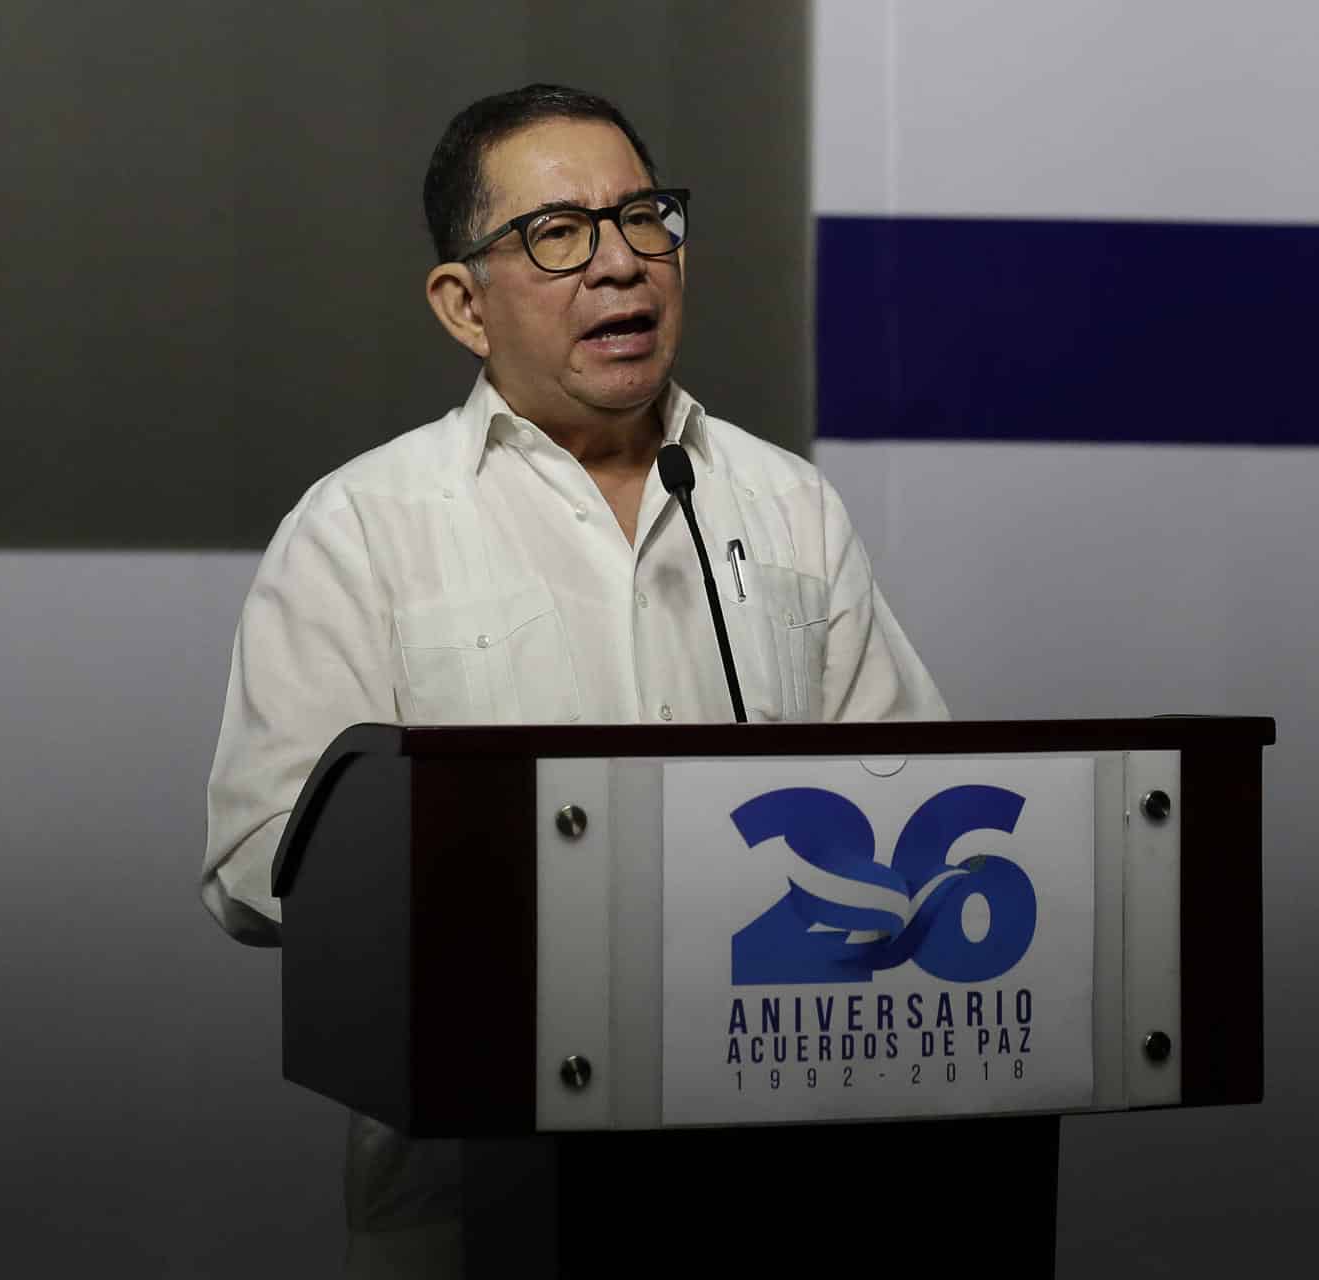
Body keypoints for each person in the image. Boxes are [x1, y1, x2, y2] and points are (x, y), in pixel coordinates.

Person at [200, 84, 946, 1275]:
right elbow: (256, 863)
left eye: (644, 217)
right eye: (558, 235)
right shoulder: (362, 526)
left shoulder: (786, 504)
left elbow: (911, 809)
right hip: (478, 1185)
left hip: (775, 1171)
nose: (620, 266)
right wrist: (555, 913)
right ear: (464, 303)